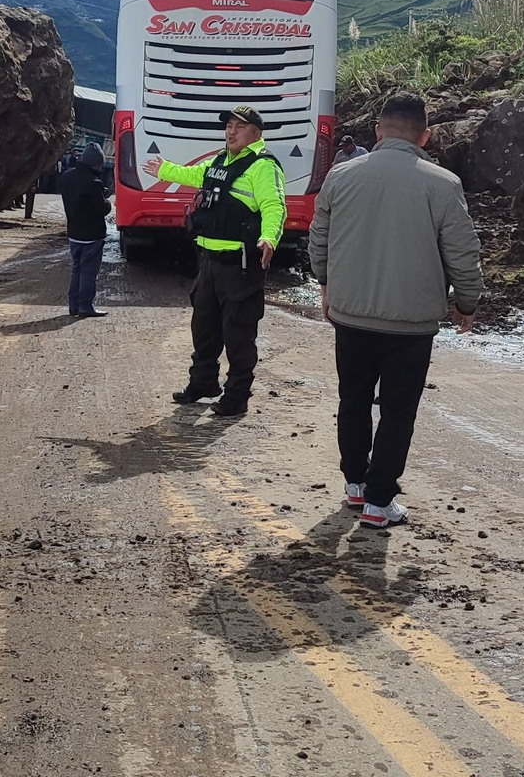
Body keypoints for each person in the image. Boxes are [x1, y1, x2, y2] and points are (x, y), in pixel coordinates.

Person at [310, 93, 482, 530]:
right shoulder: (443, 183)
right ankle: (379, 501)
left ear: (378, 132)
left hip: (350, 315)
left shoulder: (340, 176)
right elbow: (462, 252)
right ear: (425, 136)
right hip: (411, 323)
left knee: (352, 400)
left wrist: (325, 285)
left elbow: (320, 238)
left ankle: (354, 485)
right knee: (398, 410)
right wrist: (467, 303)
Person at [142, 105, 286, 418]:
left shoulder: (263, 166)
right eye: (229, 126)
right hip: (209, 263)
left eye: (240, 126)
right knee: (204, 328)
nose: (231, 132)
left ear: (256, 133)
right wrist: (163, 169)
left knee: (238, 334)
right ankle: (204, 382)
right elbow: (191, 175)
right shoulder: (219, 161)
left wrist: (269, 238)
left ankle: (236, 396)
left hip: (241, 265)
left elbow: (275, 207)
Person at [59, 143, 111, 318]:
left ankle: (73, 306)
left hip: (74, 233)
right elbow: (103, 209)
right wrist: (108, 200)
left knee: (76, 270)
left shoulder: (66, 177)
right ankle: (86, 306)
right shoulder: (94, 183)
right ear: (96, 163)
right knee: (88, 272)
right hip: (91, 235)